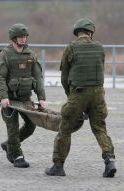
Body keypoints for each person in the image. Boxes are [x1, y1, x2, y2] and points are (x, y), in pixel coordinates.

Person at [45, 18, 117, 177]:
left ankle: (58, 166)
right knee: (99, 128)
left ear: (78, 33)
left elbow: (64, 77)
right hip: (98, 94)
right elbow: (101, 69)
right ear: (90, 33)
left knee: (65, 128)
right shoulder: (99, 48)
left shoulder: (71, 48)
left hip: (79, 93)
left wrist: (71, 96)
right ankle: (109, 160)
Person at [0, 23, 46, 168]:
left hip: (25, 99)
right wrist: (3, 97)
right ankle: (17, 155)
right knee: (13, 127)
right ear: (13, 38)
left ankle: (9, 145)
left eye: (24, 37)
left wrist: (41, 98)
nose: (23, 39)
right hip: (9, 100)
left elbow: (38, 77)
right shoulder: (4, 55)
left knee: (31, 125)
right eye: (20, 37)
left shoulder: (31, 55)